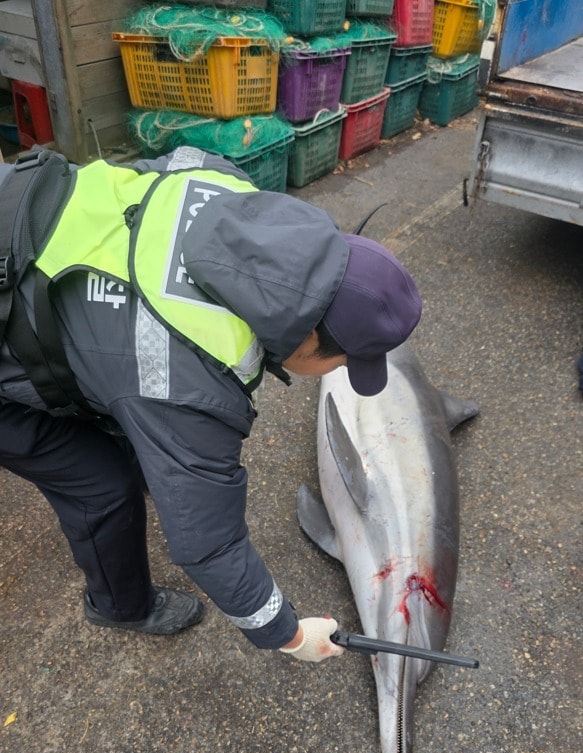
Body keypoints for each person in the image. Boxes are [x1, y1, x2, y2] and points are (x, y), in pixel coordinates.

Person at [0, 145, 421, 663]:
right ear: (308, 336)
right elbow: (208, 545)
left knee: (130, 416)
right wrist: (288, 634)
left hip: (16, 208)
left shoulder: (222, 180)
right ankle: (120, 606)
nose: (339, 371)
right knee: (102, 485)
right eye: (344, 360)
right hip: (10, 310)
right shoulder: (192, 384)